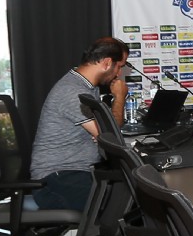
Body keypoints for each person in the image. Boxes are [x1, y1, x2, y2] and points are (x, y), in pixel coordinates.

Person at [27, 36, 129, 212]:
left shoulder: (88, 88)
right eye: (119, 66)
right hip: (55, 180)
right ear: (107, 63)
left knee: (127, 193)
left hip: (73, 173)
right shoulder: (73, 92)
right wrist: (120, 97)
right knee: (120, 203)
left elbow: (106, 132)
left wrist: (101, 133)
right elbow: (110, 136)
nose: (118, 74)